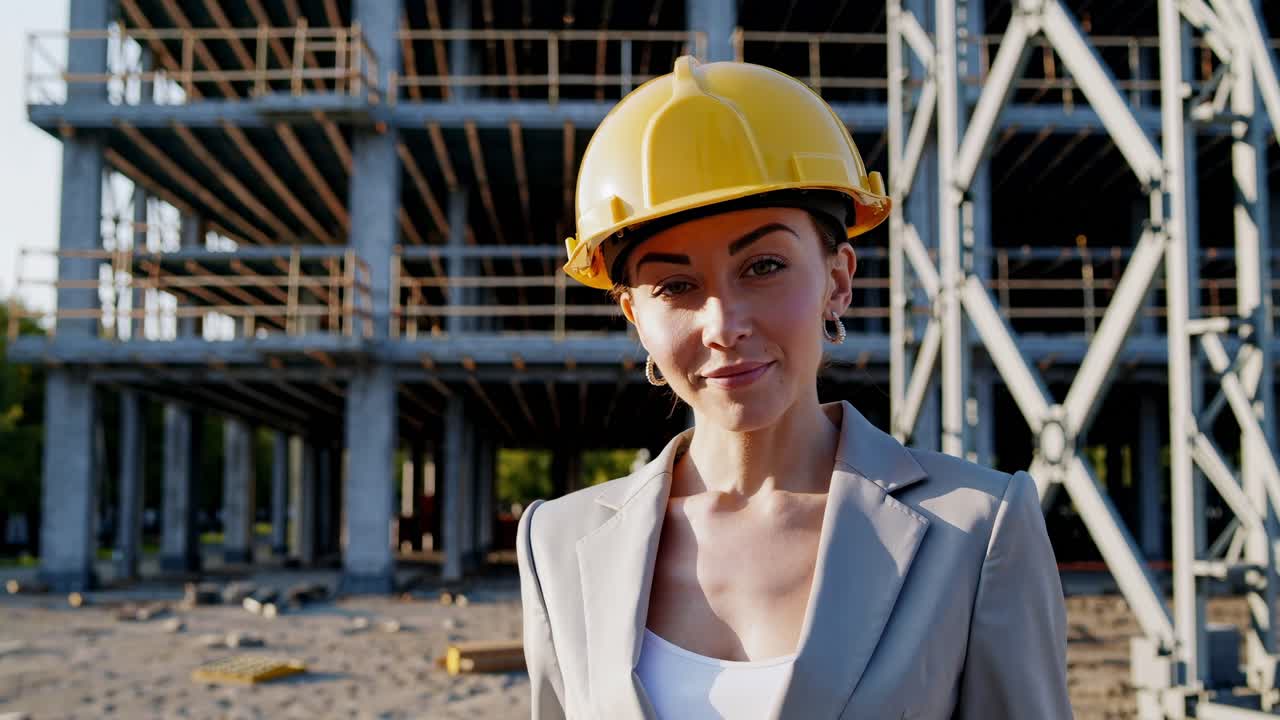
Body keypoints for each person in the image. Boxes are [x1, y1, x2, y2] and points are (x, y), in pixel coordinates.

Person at [516, 55, 1071, 720]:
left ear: (838, 279)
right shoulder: (557, 544)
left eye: (763, 266)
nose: (724, 325)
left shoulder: (977, 529)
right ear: (635, 315)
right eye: (676, 285)